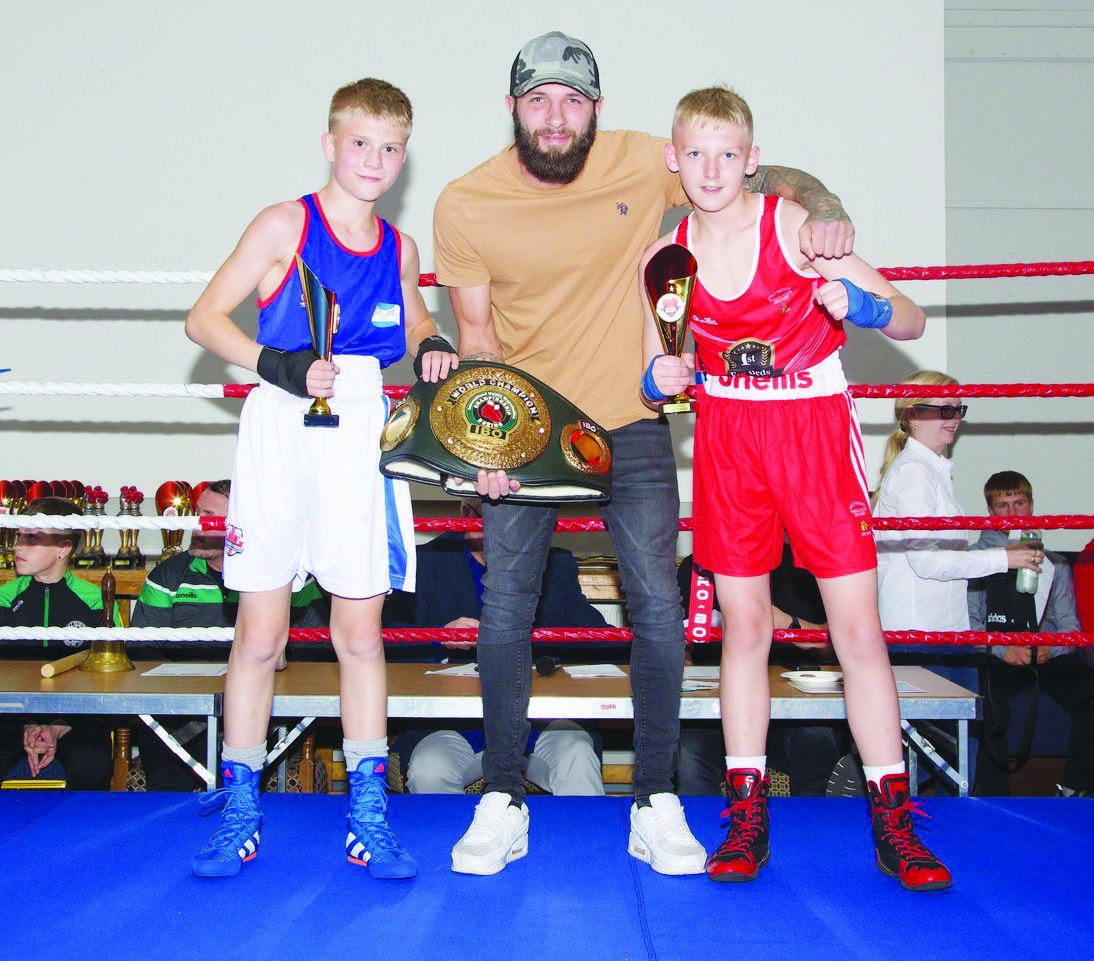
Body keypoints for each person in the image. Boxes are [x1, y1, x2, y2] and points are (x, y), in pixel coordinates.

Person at [433, 29, 855, 878]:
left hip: (633, 417)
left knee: (658, 607)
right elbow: (475, 336)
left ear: (597, 108)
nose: (556, 117)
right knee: (507, 608)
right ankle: (503, 797)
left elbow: (755, 175)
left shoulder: (642, 161)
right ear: (513, 107)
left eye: (573, 100)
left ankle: (655, 798)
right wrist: (482, 442)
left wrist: (828, 212)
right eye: (539, 99)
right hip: (527, 428)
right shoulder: (465, 201)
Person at [642, 86, 946, 891]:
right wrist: (661, 373)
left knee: (857, 632)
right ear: (674, 159)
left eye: (728, 154)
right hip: (729, 439)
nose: (711, 170)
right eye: (696, 154)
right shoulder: (665, 259)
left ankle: (895, 822)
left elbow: (911, 320)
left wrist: (864, 301)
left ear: (751, 156)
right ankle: (746, 814)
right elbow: (656, 372)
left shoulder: (791, 226)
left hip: (812, 427)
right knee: (743, 631)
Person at [183, 78, 458, 879]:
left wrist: (435, 337)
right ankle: (240, 805)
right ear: (331, 142)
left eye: (391, 146)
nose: (375, 159)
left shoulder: (399, 249)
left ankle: (367, 812)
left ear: (405, 157)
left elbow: (414, 316)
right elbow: (204, 319)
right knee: (260, 635)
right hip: (278, 418)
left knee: (359, 634)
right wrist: (282, 363)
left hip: (361, 430)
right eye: (361, 141)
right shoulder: (283, 223)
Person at [874, 372, 1041, 796]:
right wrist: (1005, 557)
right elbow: (928, 562)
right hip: (918, 634)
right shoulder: (914, 473)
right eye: (945, 409)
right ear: (912, 416)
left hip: (937, 632)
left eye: (958, 409)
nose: (955, 419)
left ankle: (906, 819)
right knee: (937, 747)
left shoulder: (928, 471)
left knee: (948, 745)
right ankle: (891, 812)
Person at [384, 498, 615, 795]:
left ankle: (581, 843)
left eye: (516, 519)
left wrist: (659, 645)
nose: (507, 529)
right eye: (494, 518)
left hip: (540, 720)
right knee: (429, 769)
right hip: (453, 722)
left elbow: (597, 637)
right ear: (466, 515)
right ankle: (446, 843)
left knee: (578, 757)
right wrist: (438, 636)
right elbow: (388, 641)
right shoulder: (425, 562)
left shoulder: (554, 563)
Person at [130, 479, 328, 791]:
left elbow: (315, 651)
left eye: (208, 515)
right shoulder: (168, 576)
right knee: (165, 762)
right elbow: (141, 652)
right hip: (182, 713)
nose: (197, 524)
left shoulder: (286, 578)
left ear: (239, 524)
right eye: (197, 513)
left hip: (265, 711)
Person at [675, 551, 847, 798]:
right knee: (690, 755)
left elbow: (838, 644)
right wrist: (681, 653)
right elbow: (680, 654)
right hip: (716, 707)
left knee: (815, 740)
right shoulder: (698, 567)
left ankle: (814, 830)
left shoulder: (806, 562)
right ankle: (699, 832)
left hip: (796, 704)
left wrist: (787, 623)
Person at [968, 471, 1094, 797]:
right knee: (987, 703)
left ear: (1032, 507)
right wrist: (1002, 650)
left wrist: (1051, 648)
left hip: (1046, 655)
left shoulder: (1054, 563)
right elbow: (969, 622)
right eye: (1003, 506)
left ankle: (1074, 788)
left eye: (1019, 504)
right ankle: (995, 798)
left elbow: (1069, 624)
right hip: (997, 656)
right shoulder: (976, 561)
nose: (1011, 514)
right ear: (991, 512)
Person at [0, 497, 117, 790]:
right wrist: (26, 722)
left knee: (92, 763)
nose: (17, 546)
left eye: (32, 538)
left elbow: (110, 681)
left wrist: (58, 724)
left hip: (78, 718)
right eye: (18, 536)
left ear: (64, 548)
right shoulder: (4, 597)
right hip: (10, 715)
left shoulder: (96, 601)